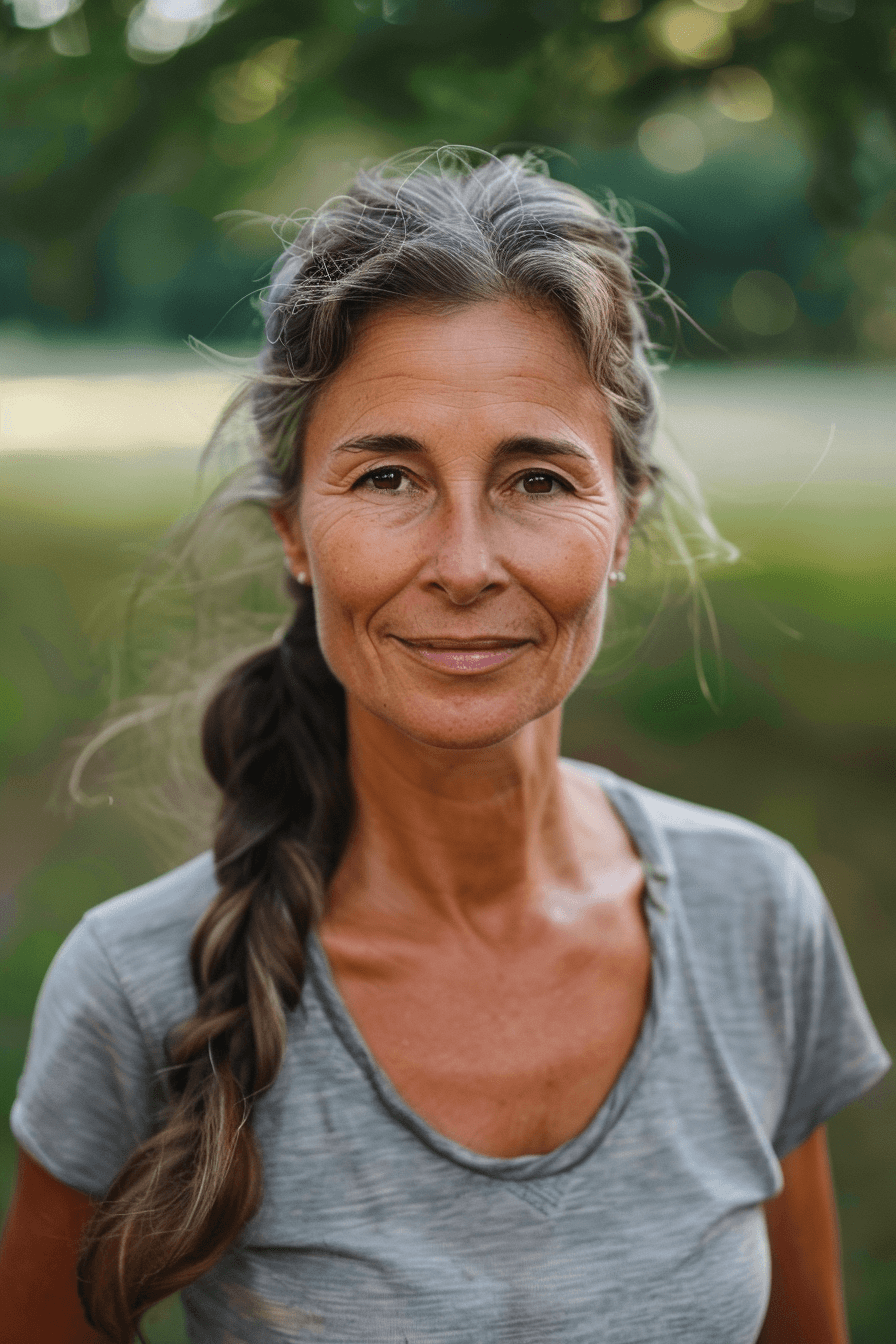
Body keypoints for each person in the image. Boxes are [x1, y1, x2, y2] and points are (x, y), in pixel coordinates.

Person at [0, 151, 889, 1344]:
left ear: (622, 521)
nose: (464, 565)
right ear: (295, 534)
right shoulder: (138, 987)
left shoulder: (754, 915)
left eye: (534, 477)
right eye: (386, 476)